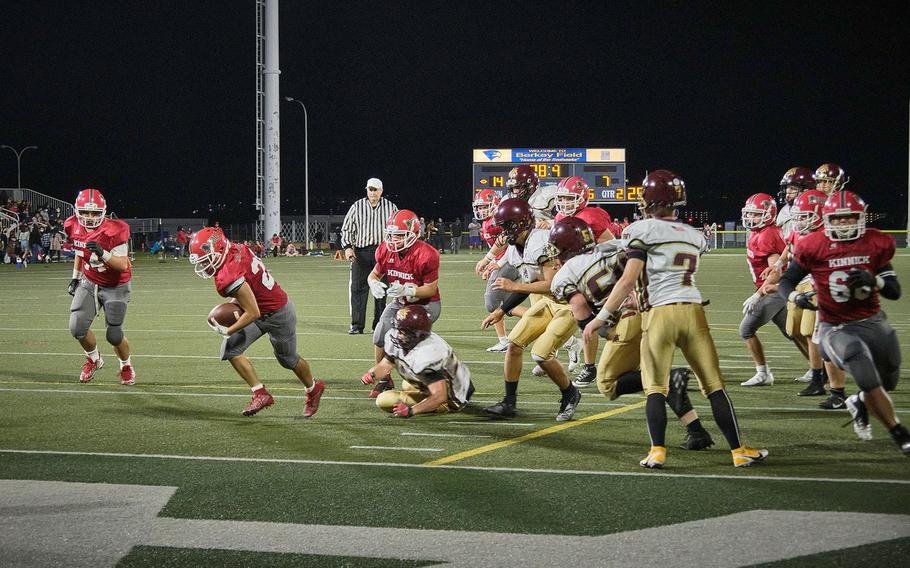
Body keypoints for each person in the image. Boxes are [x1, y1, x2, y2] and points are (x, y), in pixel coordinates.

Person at [585, 170, 767, 468]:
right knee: (714, 385)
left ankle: (657, 451)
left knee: (656, 386)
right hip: (694, 312)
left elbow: (628, 279)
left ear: (647, 200)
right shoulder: (694, 235)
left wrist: (600, 317)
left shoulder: (639, 230)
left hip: (659, 315)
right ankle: (738, 451)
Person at [549, 220, 714, 450]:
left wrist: (606, 330)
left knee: (607, 383)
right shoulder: (615, 245)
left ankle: (671, 378)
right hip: (655, 309)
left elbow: (581, 310)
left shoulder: (564, 274)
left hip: (628, 320)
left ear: (565, 248)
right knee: (647, 374)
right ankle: (696, 431)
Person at [778, 190, 909, 455]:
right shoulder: (814, 244)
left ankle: (860, 401)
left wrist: (876, 280)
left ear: (860, 217)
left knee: (888, 380)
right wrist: (794, 296)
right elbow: (787, 280)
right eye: (837, 219)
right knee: (858, 360)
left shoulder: (875, 242)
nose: (843, 223)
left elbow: (894, 291)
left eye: (849, 218)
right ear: (826, 219)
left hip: (872, 321)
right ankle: (899, 433)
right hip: (834, 325)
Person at [188, 226, 325, 417]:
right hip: (259, 307)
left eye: (206, 260)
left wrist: (228, 329)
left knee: (288, 359)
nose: (204, 266)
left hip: (278, 312)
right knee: (230, 350)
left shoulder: (227, 275)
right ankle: (260, 393)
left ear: (218, 250)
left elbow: (252, 312)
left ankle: (313, 388)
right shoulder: (236, 249)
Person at [480, 199, 582, 422]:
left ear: (520, 223)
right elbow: (529, 283)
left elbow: (552, 284)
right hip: (549, 302)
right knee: (514, 345)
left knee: (541, 354)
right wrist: (501, 311)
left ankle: (570, 393)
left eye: (506, 226)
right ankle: (509, 402)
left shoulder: (540, 242)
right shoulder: (515, 249)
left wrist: (514, 286)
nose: (503, 232)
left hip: (570, 304)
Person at [63, 188, 136, 385]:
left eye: (94, 213)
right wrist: (75, 277)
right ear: (77, 211)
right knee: (76, 327)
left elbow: (122, 265)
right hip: (90, 280)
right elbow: (80, 251)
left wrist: (103, 253)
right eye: (85, 212)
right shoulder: (72, 225)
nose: (89, 217)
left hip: (115, 285)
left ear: (103, 212)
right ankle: (94, 359)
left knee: (114, 334)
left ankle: (126, 365)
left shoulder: (115, 230)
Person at [365, 210, 440, 398]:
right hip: (400, 302)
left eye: (399, 235)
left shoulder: (427, 254)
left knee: (408, 341)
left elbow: (430, 289)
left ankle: (430, 383)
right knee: (380, 334)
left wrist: (409, 290)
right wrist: (373, 284)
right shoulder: (384, 249)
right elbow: (374, 274)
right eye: (390, 235)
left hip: (425, 304)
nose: (393, 240)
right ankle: (384, 379)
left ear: (413, 234)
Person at [552, 175, 615, 388]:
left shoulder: (593, 217)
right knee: (585, 319)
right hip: (579, 274)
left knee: (610, 324)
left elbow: (611, 246)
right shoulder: (560, 217)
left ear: (582, 197)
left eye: (570, 199)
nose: (565, 203)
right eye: (562, 198)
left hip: (600, 273)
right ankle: (589, 366)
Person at [361, 304, 474, 417]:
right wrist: (372, 374)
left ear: (417, 334)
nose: (398, 335)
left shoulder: (428, 354)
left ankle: (443, 406)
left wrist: (411, 410)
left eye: (403, 331)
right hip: (437, 383)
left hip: (453, 395)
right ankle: (425, 395)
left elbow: (440, 395)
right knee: (407, 384)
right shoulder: (404, 338)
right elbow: (386, 363)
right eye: (398, 329)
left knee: (384, 400)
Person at [738, 193, 791, 386]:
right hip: (773, 289)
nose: (751, 218)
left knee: (746, 329)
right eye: (750, 214)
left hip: (773, 290)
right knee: (793, 332)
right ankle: (820, 369)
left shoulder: (768, 234)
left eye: (756, 214)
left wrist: (758, 294)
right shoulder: (758, 232)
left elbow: (776, 270)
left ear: (768, 214)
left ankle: (762, 373)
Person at [340, 177, 398, 335]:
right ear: (366, 190)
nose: (372, 192)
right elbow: (346, 229)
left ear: (381, 190)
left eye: (375, 189)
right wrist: (347, 248)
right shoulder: (357, 206)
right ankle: (357, 325)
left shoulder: (391, 207)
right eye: (370, 189)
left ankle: (379, 325)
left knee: (381, 290)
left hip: (383, 253)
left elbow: (397, 229)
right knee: (358, 289)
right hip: (361, 252)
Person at [473, 189, 512, 353]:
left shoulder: (498, 220)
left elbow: (511, 243)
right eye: (479, 207)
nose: (481, 210)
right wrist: (492, 263)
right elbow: (496, 249)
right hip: (503, 262)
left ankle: (504, 340)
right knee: (501, 302)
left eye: (484, 207)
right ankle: (503, 340)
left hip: (512, 262)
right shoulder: (486, 223)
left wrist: (498, 263)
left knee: (492, 301)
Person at [776, 167, 815, 240]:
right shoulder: (785, 209)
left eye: (793, 188)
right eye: (787, 187)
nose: (788, 191)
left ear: (806, 190)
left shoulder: (814, 209)